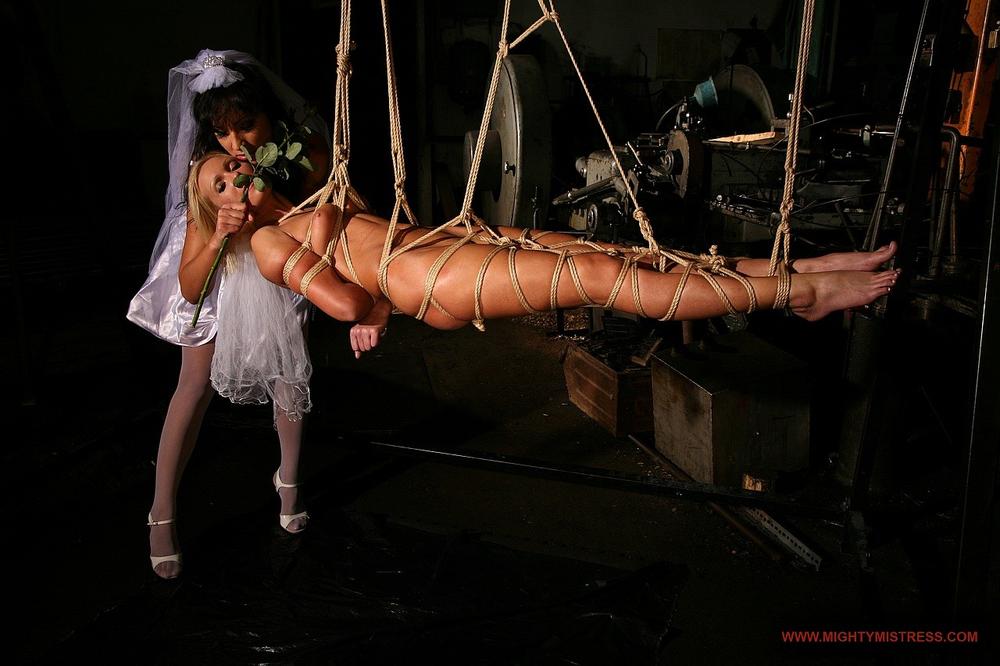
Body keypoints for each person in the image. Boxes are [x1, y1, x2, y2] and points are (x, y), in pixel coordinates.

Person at [188, 151, 900, 360]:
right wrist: (346, 281)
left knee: (626, 256)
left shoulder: (308, 197)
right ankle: (800, 296)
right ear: (220, 212)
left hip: (440, 248)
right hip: (430, 275)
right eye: (220, 185)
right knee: (598, 275)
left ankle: (785, 273)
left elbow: (363, 289)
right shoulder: (271, 241)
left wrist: (371, 302)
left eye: (232, 165)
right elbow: (344, 302)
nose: (236, 177)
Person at [126, 49, 330, 579]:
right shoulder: (211, 174)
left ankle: (289, 481)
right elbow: (191, 288)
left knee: (289, 374)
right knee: (193, 383)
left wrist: (277, 208)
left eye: (246, 126)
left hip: (278, 266)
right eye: (222, 133)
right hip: (219, 277)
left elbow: (327, 220)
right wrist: (220, 231)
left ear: (270, 116)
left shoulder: (301, 156)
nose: (236, 145)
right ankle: (161, 512)